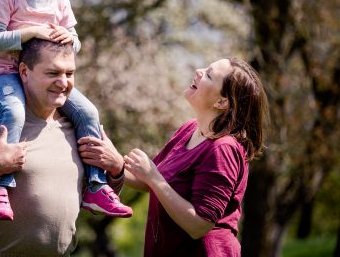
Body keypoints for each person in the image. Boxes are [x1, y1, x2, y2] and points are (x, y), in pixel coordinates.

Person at [0, 0, 131, 220]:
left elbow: (75, 43)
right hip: (3, 74)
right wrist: (29, 32)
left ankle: (96, 186)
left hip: (44, 78)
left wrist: (68, 39)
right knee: (15, 112)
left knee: (88, 113)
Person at [0, 39, 127, 256]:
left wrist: (117, 171)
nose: (63, 83)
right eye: (52, 73)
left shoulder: (79, 128)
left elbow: (89, 203)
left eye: (69, 74)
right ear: (24, 72)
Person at [79, 57, 269, 256]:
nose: (198, 70)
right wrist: (114, 162)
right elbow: (151, 183)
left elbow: (199, 225)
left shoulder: (224, 149)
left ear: (222, 102)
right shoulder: (190, 129)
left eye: (209, 75)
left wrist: (154, 177)